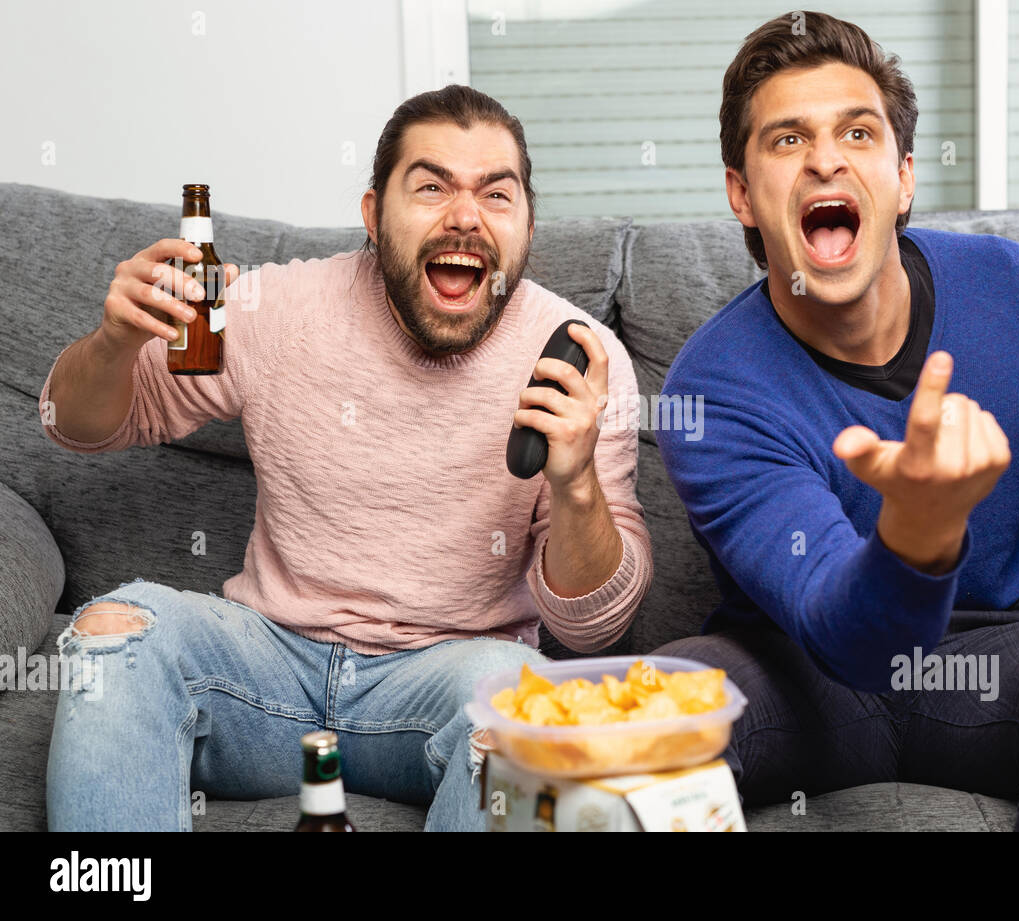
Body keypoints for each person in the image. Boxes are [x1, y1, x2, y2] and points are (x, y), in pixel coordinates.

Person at [654, 12, 1019, 830]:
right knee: (655, 707)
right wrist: (917, 532)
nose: (826, 157)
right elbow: (843, 626)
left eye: (857, 132)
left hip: (995, 652)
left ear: (902, 177)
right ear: (742, 194)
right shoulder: (713, 387)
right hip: (805, 670)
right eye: (787, 141)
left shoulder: (1012, 285)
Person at [39, 86, 652, 832]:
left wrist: (577, 483)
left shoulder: (582, 356)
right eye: (431, 187)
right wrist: (113, 342)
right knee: (116, 631)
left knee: (530, 705)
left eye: (498, 192)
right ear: (372, 214)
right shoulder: (279, 309)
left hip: (449, 683)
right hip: (265, 669)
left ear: (526, 222)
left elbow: (597, 629)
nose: (466, 215)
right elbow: (77, 426)